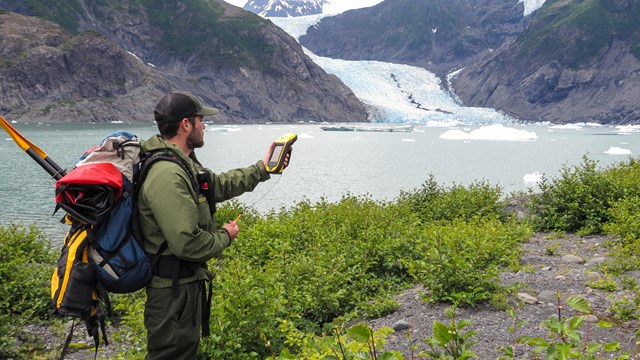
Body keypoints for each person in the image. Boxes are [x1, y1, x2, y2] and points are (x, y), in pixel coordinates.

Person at [136, 91, 286, 359]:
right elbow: (188, 243)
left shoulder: (182, 163)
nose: (204, 126)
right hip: (173, 293)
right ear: (186, 124)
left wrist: (263, 169)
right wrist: (225, 236)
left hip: (183, 286)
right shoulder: (168, 174)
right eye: (200, 120)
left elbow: (218, 185)